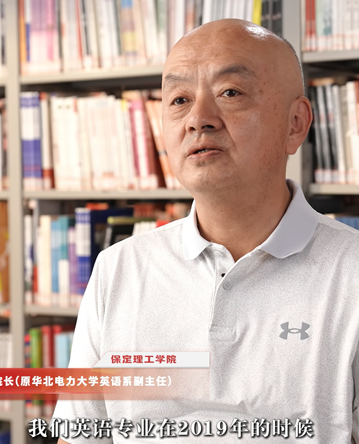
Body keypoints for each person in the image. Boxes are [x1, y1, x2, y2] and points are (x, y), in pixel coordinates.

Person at [53, 19, 359, 443]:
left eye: (230, 92)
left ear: (295, 123)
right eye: (179, 99)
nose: (198, 119)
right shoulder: (118, 269)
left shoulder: (351, 273)